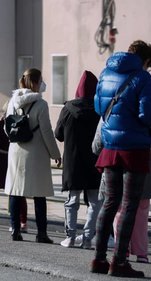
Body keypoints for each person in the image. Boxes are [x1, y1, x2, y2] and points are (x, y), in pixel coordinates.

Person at [90, 40, 151, 278]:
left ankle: (98, 258)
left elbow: (98, 107)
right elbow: (146, 115)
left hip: (110, 146)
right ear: (146, 60)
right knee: (129, 205)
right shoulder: (144, 78)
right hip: (134, 148)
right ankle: (119, 262)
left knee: (109, 202)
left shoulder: (106, 73)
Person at [4, 68, 61, 243]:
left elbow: (6, 126)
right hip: (36, 151)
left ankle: (15, 229)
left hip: (16, 149)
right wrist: (55, 153)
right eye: (40, 80)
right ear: (35, 83)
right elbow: (46, 131)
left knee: (16, 191)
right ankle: (41, 233)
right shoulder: (41, 104)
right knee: (39, 193)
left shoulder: (13, 101)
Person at [93, 119, 151, 264]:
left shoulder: (108, 110)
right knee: (141, 210)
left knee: (117, 208)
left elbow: (96, 145)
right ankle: (141, 253)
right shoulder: (145, 108)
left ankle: (120, 251)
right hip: (142, 161)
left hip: (113, 159)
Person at [54, 70, 102, 249]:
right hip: (94, 160)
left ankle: (70, 237)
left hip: (73, 161)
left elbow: (58, 134)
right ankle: (88, 238)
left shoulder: (68, 109)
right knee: (95, 201)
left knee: (72, 200)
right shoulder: (99, 109)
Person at [0, 101, 28, 233]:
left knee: (12, 191)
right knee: (19, 191)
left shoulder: (3, 123)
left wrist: (0, 123)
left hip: (4, 158)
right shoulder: (23, 122)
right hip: (20, 157)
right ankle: (22, 221)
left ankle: (16, 222)